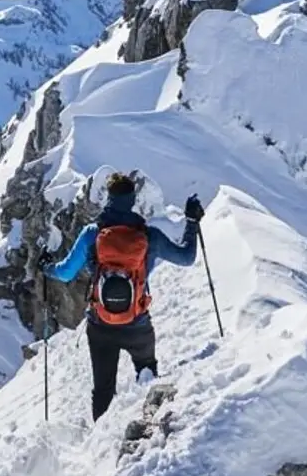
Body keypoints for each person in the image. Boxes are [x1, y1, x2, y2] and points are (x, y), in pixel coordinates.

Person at [39, 169, 203, 419]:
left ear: (108, 197)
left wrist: (46, 266)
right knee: (147, 375)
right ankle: (150, 428)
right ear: (133, 199)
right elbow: (187, 257)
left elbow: (65, 273)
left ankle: (99, 447)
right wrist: (192, 223)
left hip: (100, 325)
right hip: (138, 322)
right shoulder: (149, 236)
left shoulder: (93, 234)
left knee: (103, 390)